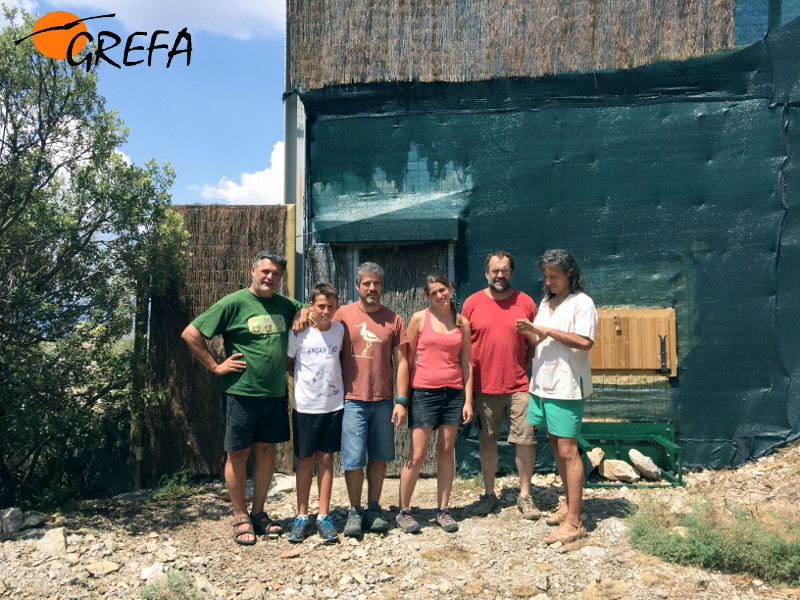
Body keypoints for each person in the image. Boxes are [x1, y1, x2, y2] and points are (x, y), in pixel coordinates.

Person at [181, 249, 302, 546]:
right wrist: (215, 365)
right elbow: (191, 333)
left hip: (274, 394)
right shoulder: (235, 303)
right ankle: (240, 515)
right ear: (253, 271)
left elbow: (309, 308)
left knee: (266, 453)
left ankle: (259, 512)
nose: (270, 278)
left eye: (276, 274)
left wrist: (301, 312)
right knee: (238, 454)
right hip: (240, 393)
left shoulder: (285, 305)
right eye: (265, 272)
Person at [516, 249, 597, 544]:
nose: (549, 281)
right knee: (554, 442)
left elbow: (585, 342)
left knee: (568, 450)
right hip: (541, 385)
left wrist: (546, 330)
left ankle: (575, 522)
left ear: (570, 274)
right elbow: (540, 338)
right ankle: (568, 503)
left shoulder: (582, 303)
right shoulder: (546, 302)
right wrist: (529, 331)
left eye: (555, 276)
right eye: (546, 277)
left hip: (566, 386)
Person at [461, 250, 539, 520]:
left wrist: (520, 367)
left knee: (525, 441)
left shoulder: (525, 302)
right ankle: (489, 495)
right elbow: (465, 351)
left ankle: (525, 495)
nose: (500, 275)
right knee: (487, 442)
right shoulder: (471, 304)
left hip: (519, 387)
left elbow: (534, 344)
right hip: (484, 388)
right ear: (486, 273)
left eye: (505, 270)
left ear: (512, 273)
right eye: (495, 270)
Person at [334, 262, 410, 537]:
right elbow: (318, 324)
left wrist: (401, 401)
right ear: (357, 286)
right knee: (353, 460)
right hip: (352, 399)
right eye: (366, 283)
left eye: (376, 283)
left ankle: (374, 508)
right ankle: (354, 511)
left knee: (379, 457)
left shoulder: (394, 319)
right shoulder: (341, 315)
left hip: (383, 401)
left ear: (382, 286)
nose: (372, 288)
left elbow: (402, 362)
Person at [396, 274, 473, 533]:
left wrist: (467, 400)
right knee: (417, 455)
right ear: (428, 297)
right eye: (434, 293)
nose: (440, 295)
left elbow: (466, 364)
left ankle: (443, 510)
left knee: (446, 451)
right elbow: (407, 358)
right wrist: (402, 400)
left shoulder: (462, 323)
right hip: (424, 394)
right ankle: (403, 510)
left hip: (453, 394)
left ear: (450, 289)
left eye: (443, 290)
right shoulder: (419, 319)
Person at [286, 283, 344, 544]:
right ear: (311, 306)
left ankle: (323, 515)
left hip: (332, 406)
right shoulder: (299, 332)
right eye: (321, 306)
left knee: (326, 459)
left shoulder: (339, 330)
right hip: (305, 406)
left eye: (331, 306)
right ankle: (302, 516)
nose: (326, 311)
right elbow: (289, 363)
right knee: (305, 460)